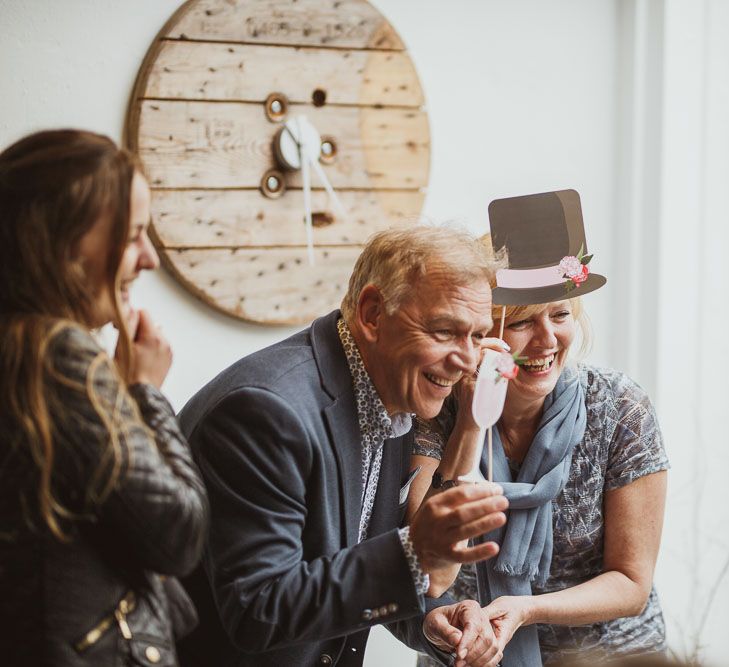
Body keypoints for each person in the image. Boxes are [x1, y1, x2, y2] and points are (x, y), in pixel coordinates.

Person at [177, 226, 510, 667]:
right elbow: (259, 610)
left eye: (477, 336)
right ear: (373, 314)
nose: (468, 360)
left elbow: (349, 571)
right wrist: (414, 555)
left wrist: (430, 621)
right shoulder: (265, 413)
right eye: (446, 330)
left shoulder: (395, 392)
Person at [409, 191, 669, 666]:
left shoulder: (619, 408)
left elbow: (632, 583)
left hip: (612, 657)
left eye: (561, 315)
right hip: (472, 657)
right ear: (483, 329)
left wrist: (527, 610)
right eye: (524, 321)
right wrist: (471, 422)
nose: (548, 339)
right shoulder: (435, 407)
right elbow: (421, 568)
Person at [0, 129, 209, 666]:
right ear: (63, 242)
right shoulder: (57, 355)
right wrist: (144, 393)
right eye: (132, 234)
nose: (148, 259)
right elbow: (179, 534)